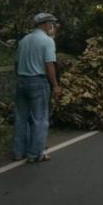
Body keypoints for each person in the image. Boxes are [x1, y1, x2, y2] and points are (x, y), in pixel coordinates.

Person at [12, 12, 62, 163]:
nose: (52, 27)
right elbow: (49, 65)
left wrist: (20, 78)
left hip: (22, 81)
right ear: (45, 24)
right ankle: (35, 154)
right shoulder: (47, 41)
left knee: (21, 118)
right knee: (40, 119)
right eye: (51, 24)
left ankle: (18, 152)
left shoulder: (24, 40)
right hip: (38, 82)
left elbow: (16, 63)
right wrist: (55, 86)